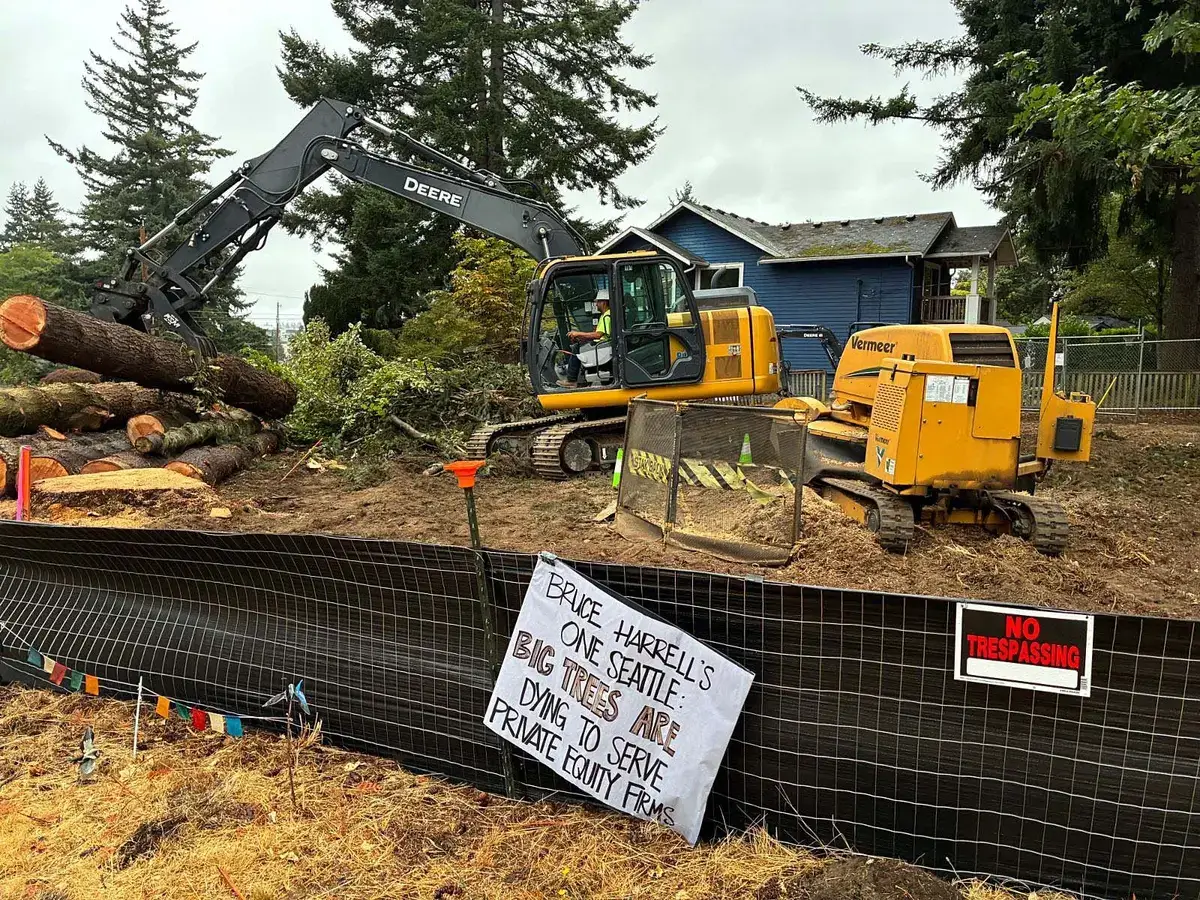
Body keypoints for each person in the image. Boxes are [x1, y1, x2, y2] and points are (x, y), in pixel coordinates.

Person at [560, 289, 612, 387]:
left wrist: (578, 334)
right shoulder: (605, 315)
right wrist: (582, 337)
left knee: (577, 348)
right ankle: (582, 381)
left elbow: (598, 335)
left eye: (597, 302)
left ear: (604, 302)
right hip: (602, 344)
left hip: (603, 346)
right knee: (581, 345)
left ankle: (572, 379)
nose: (596, 305)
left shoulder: (607, 316)